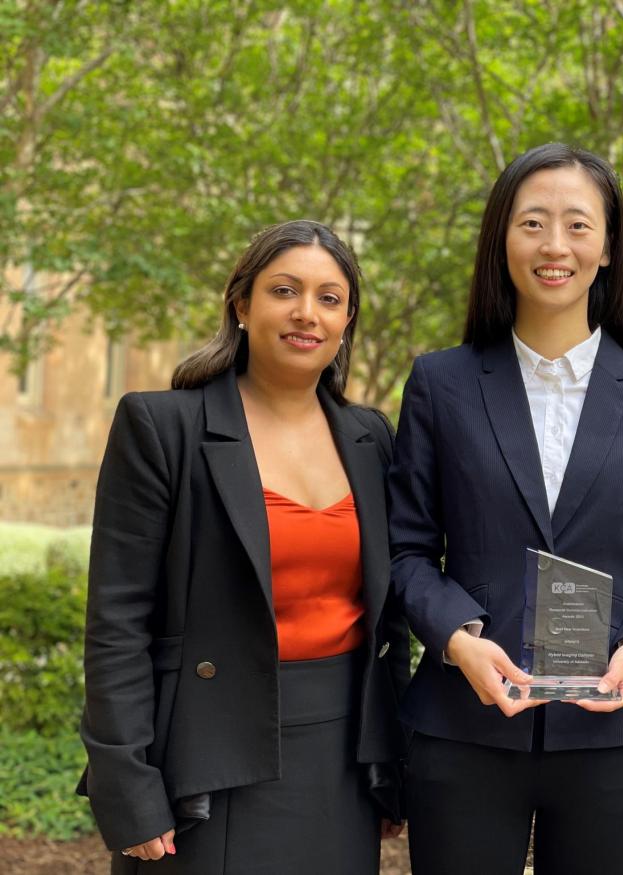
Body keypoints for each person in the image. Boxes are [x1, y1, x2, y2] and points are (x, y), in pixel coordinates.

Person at [389, 142, 623, 875]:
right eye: (532, 223)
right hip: (464, 726)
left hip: (610, 731)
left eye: (577, 224)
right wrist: (458, 639)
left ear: (608, 247)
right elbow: (405, 552)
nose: (554, 245)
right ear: (503, 239)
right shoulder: (441, 382)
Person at [79, 220, 409, 874]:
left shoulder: (371, 437)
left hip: (342, 762)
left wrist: (391, 761)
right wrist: (128, 786)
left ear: (347, 320)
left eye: (329, 297)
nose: (305, 313)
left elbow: (389, 618)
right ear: (242, 304)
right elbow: (116, 623)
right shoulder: (163, 427)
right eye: (284, 290)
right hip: (206, 758)